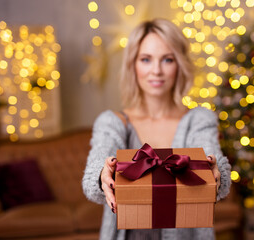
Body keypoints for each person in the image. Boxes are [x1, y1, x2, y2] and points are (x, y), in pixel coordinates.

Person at [82, 18, 231, 240]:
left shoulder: (198, 120)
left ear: (179, 64)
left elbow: (214, 161)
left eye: (167, 60)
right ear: (133, 64)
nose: (156, 71)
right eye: (146, 59)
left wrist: (217, 173)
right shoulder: (112, 123)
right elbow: (94, 174)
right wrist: (101, 176)